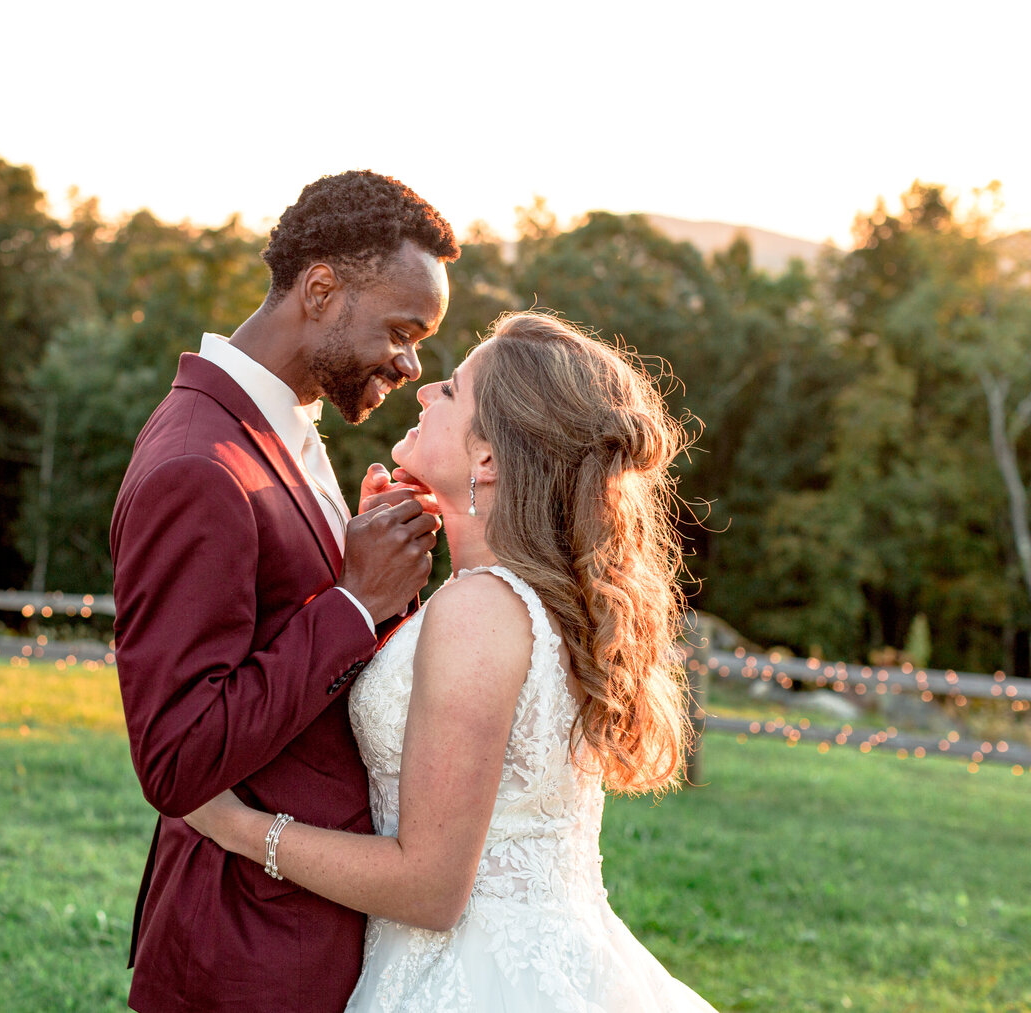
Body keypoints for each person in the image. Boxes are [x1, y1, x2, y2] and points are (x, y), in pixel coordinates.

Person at [184, 311, 719, 1011]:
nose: (423, 390)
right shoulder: (523, 598)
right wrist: (384, 592)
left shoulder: (479, 609)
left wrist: (235, 824)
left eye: (453, 390)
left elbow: (429, 888)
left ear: (489, 458)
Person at [110, 170, 460, 1012]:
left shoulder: (275, 424)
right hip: (247, 948)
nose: (410, 364)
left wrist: (361, 562)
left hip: (302, 927)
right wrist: (352, 603)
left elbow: (281, 628)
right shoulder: (199, 464)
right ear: (321, 287)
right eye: (402, 330)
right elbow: (176, 756)